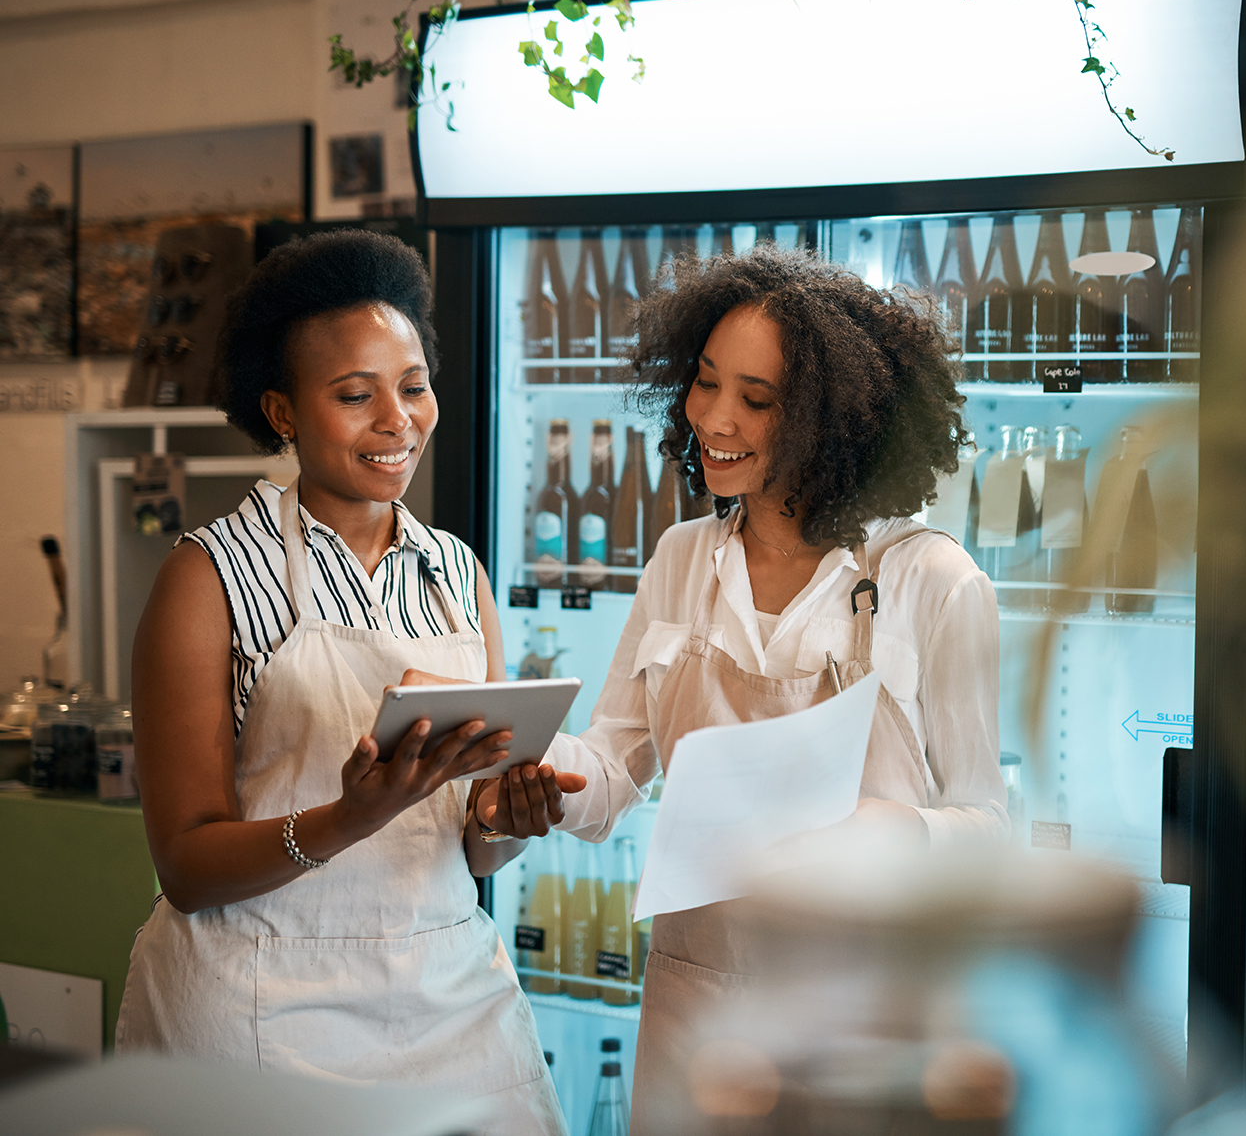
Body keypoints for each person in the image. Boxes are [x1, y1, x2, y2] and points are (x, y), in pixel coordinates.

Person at [543, 242, 1008, 1130]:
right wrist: (530, 766)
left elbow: (989, 828)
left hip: (859, 1020)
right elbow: (611, 771)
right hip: (693, 1007)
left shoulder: (933, 582)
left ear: (832, 423)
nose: (714, 416)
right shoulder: (681, 559)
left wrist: (893, 829)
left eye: (756, 400)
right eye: (705, 381)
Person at [116, 231, 570, 1135]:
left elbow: (465, 851)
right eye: (355, 395)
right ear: (281, 411)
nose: (397, 419)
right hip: (258, 1008)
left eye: (413, 385)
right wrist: (348, 816)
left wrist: (501, 822)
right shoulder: (210, 575)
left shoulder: (454, 571)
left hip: (449, 1006)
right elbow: (187, 866)